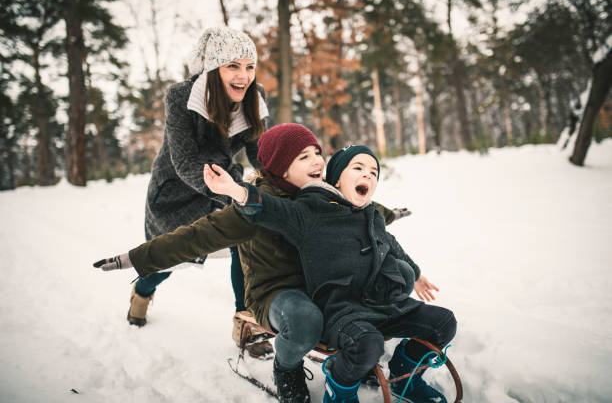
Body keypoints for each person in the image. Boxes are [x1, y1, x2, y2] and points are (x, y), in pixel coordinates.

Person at [94, 123, 411, 403]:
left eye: (317, 152)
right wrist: (135, 259)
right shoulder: (251, 211)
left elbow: (361, 212)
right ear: (282, 168)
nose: (317, 161)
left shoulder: (319, 194)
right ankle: (286, 368)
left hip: (320, 283)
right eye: (303, 157)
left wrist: (391, 214)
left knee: (364, 292)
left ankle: (354, 358)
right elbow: (192, 239)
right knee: (305, 320)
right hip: (277, 292)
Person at [203, 141, 457, 403]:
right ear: (336, 180)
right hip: (342, 311)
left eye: (373, 172)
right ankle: (339, 389)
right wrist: (235, 190)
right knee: (368, 345)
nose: (367, 174)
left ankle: (407, 375)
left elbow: (392, 246)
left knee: (443, 323)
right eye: (358, 167)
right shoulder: (312, 215)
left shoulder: (372, 216)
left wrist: (415, 274)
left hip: (381, 304)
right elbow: (272, 209)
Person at [131, 26, 271, 357]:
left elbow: (258, 152)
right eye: (233, 66)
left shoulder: (255, 95)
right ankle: (142, 289)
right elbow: (184, 162)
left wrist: (279, 176)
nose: (243, 75)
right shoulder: (180, 97)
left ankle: (247, 322)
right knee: (167, 261)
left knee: (244, 237)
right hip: (178, 192)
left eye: (249, 66)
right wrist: (232, 192)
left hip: (225, 181)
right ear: (213, 68)